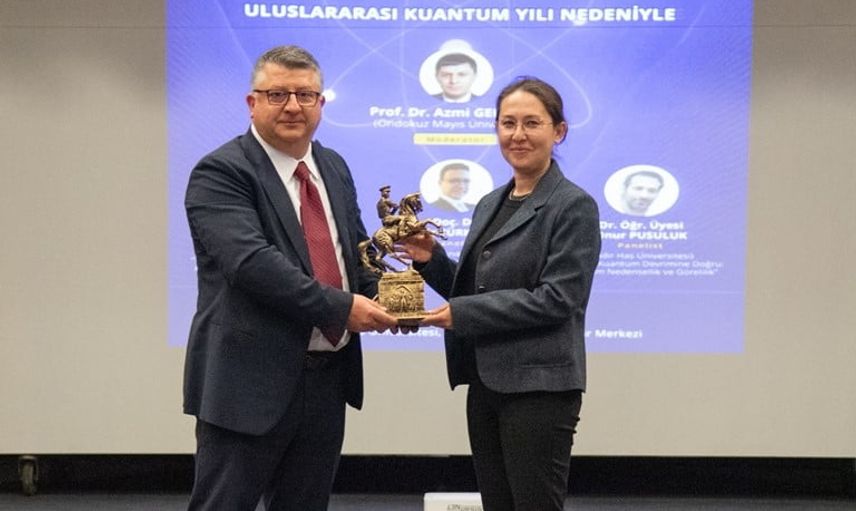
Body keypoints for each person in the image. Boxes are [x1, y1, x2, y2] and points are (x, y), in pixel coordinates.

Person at [182, 45, 399, 511]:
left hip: (326, 381)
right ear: (252, 102)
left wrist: (391, 299)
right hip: (248, 383)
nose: (293, 106)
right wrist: (344, 308)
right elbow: (251, 265)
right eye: (277, 94)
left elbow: (354, 252)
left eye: (306, 95)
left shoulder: (333, 166)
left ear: (321, 103)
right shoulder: (221, 171)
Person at [401, 77, 601, 511]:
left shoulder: (573, 205)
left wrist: (462, 314)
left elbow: (557, 299)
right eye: (508, 123)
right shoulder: (491, 202)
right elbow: (476, 288)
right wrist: (430, 259)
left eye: (532, 123)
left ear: (559, 131)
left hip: (539, 391)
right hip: (486, 384)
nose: (518, 134)